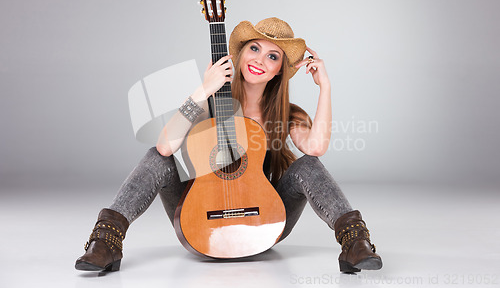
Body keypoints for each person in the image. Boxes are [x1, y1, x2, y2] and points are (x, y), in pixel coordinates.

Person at [75, 17, 383, 274]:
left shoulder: (286, 114)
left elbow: (316, 148)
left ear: (279, 71)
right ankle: (106, 242)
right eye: (254, 48)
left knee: (308, 165)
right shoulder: (210, 103)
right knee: (156, 157)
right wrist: (202, 90)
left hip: (263, 218)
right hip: (199, 216)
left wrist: (325, 88)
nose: (260, 60)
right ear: (239, 54)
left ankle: (354, 243)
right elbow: (165, 148)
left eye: (272, 56)